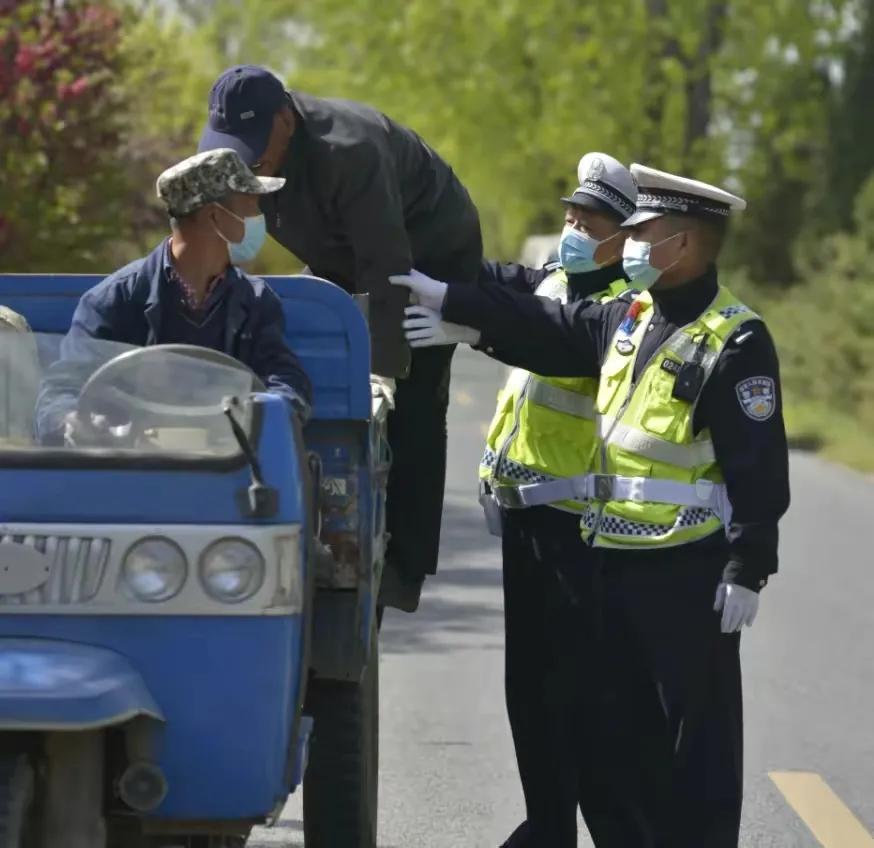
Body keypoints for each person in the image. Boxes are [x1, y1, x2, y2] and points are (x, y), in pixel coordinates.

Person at [391, 164, 791, 847]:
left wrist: (748, 564)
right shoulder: (630, 318)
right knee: (615, 751)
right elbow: (546, 324)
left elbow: (759, 464)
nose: (633, 245)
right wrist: (454, 302)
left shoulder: (736, 339)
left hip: (688, 576)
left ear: (686, 245)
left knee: (694, 756)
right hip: (614, 566)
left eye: (645, 234)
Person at [407, 153, 641, 848]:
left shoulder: (627, 306)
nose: (571, 226)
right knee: (531, 692)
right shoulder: (561, 279)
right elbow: (495, 282)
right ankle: (548, 826)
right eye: (570, 213)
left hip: (587, 526)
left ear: (624, 233)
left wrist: (470, 325)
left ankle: (595, 831)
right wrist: (409, 254)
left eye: (589, 219)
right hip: (531, 521)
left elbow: (553, 339)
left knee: (578, 696)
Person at [197, 65, 484, 611]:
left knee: (412, 400)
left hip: (426, 255)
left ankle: (405, 566)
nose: (246, 161)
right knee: (306, 355)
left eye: (254, 148)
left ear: (287, 120)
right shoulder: (254, 154)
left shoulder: (349, 151)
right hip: (341, 252)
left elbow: (385, 264)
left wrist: (382, 370)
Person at [36, 148, 311, 443]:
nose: (258, 217)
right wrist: (71, 422)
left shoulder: (256, 300)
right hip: (134, 472)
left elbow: (286, 380)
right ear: (215, 216)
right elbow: (60, 392)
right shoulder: (116, 300)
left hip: (227, 470)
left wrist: (262, 415)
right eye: (251, 205)